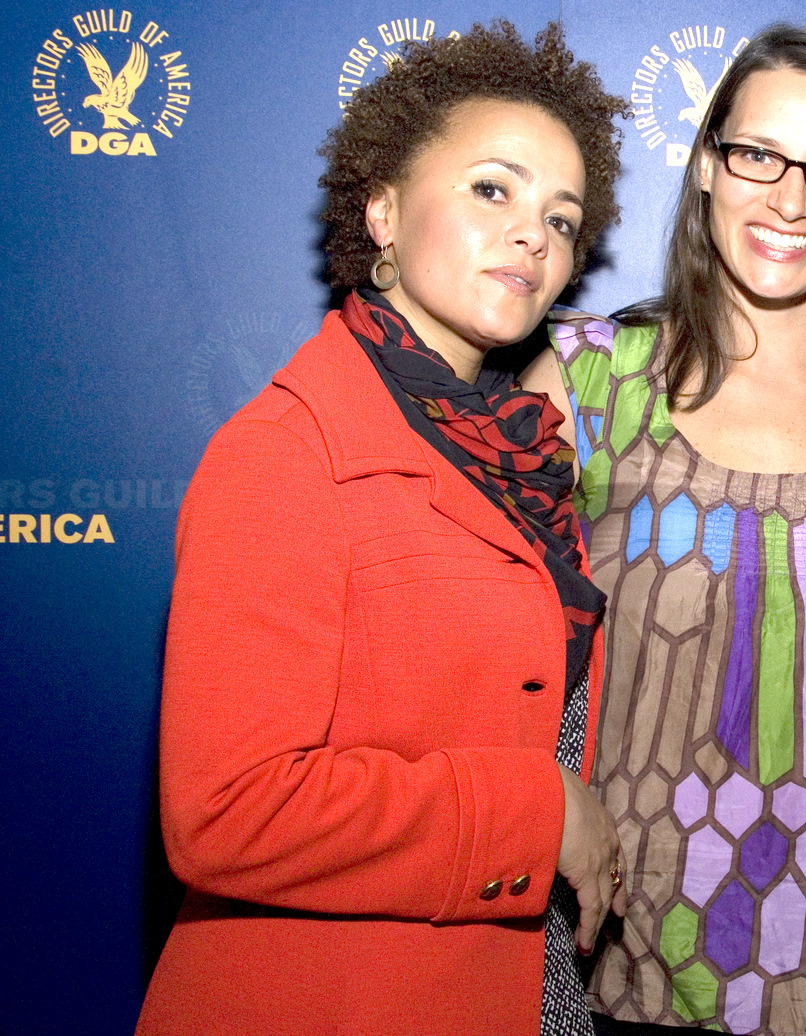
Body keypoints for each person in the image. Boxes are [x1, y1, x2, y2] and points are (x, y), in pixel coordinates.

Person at [138, 23, 628, 1036]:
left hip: (518, 987)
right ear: (385, 211)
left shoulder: (521, 458)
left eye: (562, 218)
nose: (534, 235)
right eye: (494, 189)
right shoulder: (286, 450)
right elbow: (225, 810)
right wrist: (538, 814)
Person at [522, 23, 806, 1036]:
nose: (789, 199)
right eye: (758, 155)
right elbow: (479, 668)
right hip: (612, 974)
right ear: (706, 162)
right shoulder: (586, 380)